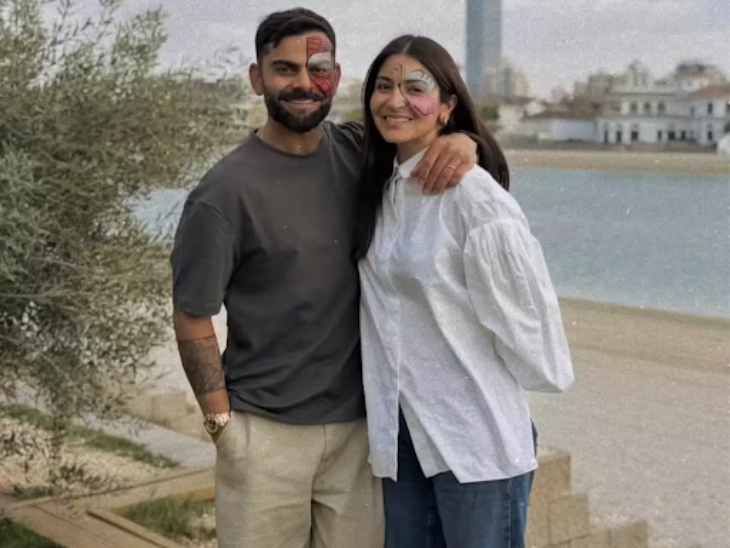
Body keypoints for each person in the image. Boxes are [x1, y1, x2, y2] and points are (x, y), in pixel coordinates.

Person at [170, 9, 480, 548]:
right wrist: (222, 426)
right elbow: (193, 315)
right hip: (265, 435)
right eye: (284, 69)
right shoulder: (223, 192)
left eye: (318, 69)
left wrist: (463, 142)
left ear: (335, 77)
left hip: (362, 434)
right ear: (257, 78)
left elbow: (428, 136)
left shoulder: (361, 154)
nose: (304, 83)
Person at [355, 35, 575, 548]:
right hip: (401, 437)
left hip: (475, 440)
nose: (395, 100)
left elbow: (526, 327)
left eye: (415, 88)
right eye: (384, 86)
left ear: (446, 107)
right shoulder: (380, 190)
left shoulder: (474, 198)